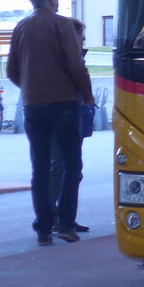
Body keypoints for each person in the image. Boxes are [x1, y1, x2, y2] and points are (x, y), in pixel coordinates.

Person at [6, 0, 94, 246]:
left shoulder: (21, 27)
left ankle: (43, 228)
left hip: (33, 106)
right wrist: (87, 95)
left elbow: (11, 69)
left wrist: (32, 88)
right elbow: (76, 64)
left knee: (41, 167)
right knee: (71, 164)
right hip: (63, 104)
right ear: (52, 0)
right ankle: (66, 224)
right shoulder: (62, 24)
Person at [49, 17, 91, 234]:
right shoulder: (66, 58)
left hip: (71, 115)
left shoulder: (65, 56)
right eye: (80, 34)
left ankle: (62, 217)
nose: (83, 38)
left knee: (65, 168)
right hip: (66, 115)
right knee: (63, 168)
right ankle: (57, 218)